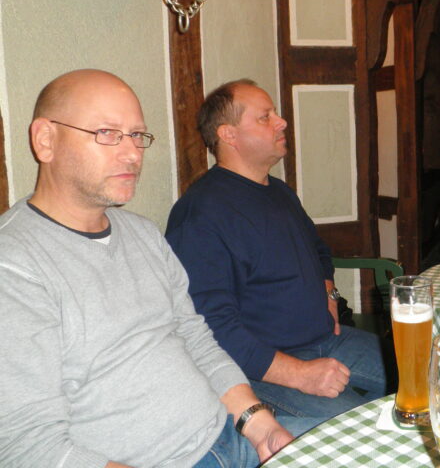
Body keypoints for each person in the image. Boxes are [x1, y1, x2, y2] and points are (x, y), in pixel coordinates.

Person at [0, 70, 293, 468]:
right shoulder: (13, 264)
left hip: (231, 436)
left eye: (137, 135)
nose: (132, 154)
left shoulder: (143, 234)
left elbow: (196, 339)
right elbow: (28, 447)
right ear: (45, 140)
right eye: (107, 133)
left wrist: (259, 425)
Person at [165, 79, 388, 436]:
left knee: (429, 374)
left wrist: (329, 291)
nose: (281, 121)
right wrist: (299, 374)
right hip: (264, 369)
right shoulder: (201, 214)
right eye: (265, 117)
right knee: (365, 431)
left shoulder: (279, 191)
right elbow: (210, 328)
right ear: (229, 134)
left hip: (329, 339)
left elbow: (318, 248)